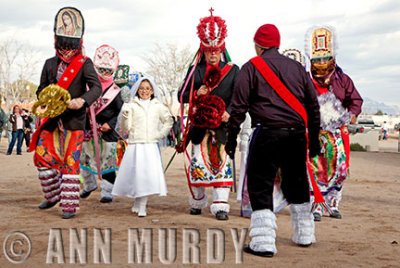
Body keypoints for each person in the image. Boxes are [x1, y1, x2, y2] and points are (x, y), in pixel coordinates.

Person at [226, 24, 321, 257]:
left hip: (267, 133)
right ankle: (305, 234)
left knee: (261, 185)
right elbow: (313, 106)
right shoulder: (298, 68)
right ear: (277, 44)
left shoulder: (251, 67)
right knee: (297, 183)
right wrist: (315, 139)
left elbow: (238, 107)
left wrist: (231, 139)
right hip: (297, 135)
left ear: (257, 45)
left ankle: (263, 242)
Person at [30, 7, 102, 219]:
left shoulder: (85, 63)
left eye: (70, 45)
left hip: (74, 120)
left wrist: (82, 101)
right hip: (52, 119)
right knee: (42, 157)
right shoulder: (49, 63)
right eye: (63, 45)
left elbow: (96, 87)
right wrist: (44, 99)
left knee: (71, 160)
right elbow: (40, 89)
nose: (66, 49)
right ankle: (52, 196)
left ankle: (69, 205)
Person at [177, 9, 240, 221]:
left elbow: (239, 97)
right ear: (203, 50)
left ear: (222, 49)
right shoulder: (194, 70)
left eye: (216, 50)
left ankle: (221, 204)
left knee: (221, 162)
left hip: (222, 126)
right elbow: (181, 95)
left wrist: (230, 114)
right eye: (209, 50)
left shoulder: (232, 70)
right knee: (198, 162)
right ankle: (197, 200)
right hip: (199, 126)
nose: (213, 54)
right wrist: (195, 93)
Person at [305, 26, 363, 221]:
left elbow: (356, 100)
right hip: (315, 133)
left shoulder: (343, 80)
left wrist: (353, 113)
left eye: (324, 59)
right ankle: (316, 205)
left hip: (338, 133)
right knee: (316, 167)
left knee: (340, 169)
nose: (321, 63)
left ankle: (333, 203)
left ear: (332, 58)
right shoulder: (306, 80)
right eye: (317, 60)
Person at [112, 77, 173, 217]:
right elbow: (125, 127)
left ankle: (142, 206)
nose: (144, 91)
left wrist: (160, 134)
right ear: (137, 90)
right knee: (137, 176)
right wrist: (125, 114)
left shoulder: (158, 106)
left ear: (152, 91)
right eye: (141, 88)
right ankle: (137, 202)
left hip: (150, 145)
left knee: (146, 176)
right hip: (135, 145)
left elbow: (168, 121)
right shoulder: (131, 105)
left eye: (147, 89)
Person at [79, 44, 123, 203]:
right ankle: (89, 185)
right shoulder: (88, 86)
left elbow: (121, 111)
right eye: (102, 70)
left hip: (107, 132)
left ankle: (107, 191)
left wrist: (110, 124)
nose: (104, 73)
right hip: (88, 130)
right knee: (85, 160)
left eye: (108, 71)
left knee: (108, 162)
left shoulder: (116, 90)